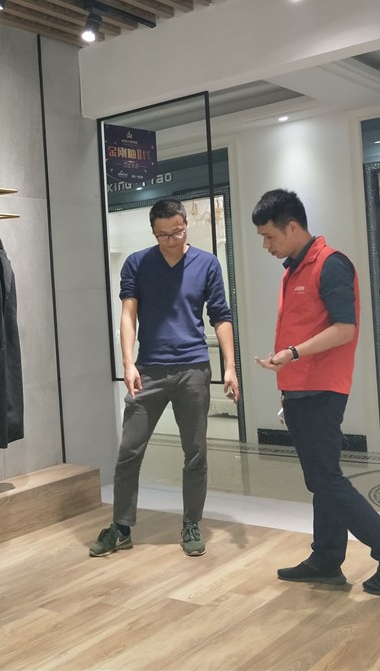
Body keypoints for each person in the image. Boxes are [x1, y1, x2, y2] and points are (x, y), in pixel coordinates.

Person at [251, 188, 380, 595]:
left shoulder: (330, 264)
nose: (266, 245)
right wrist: (287, 376)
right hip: (300, 390)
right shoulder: (294, 269)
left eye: (269, 236)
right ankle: (326, 559)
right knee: (321, 480)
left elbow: (345, 328)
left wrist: (293, 353)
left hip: (321, 391)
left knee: (326, 480)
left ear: (292, 227)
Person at [90, 198, 239, 558]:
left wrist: (230, 366)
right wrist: (128, 363)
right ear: (153, 232)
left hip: (193, 369)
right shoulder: (137, 263)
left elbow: (221, 316)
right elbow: (128, 315)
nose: (172, 240)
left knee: (195, 452)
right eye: (164, 235)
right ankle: (121, 526)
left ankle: (191, 523)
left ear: (186, 225)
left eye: (178, 232)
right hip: (149, 370)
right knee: (129, 450)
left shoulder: (207, 263)